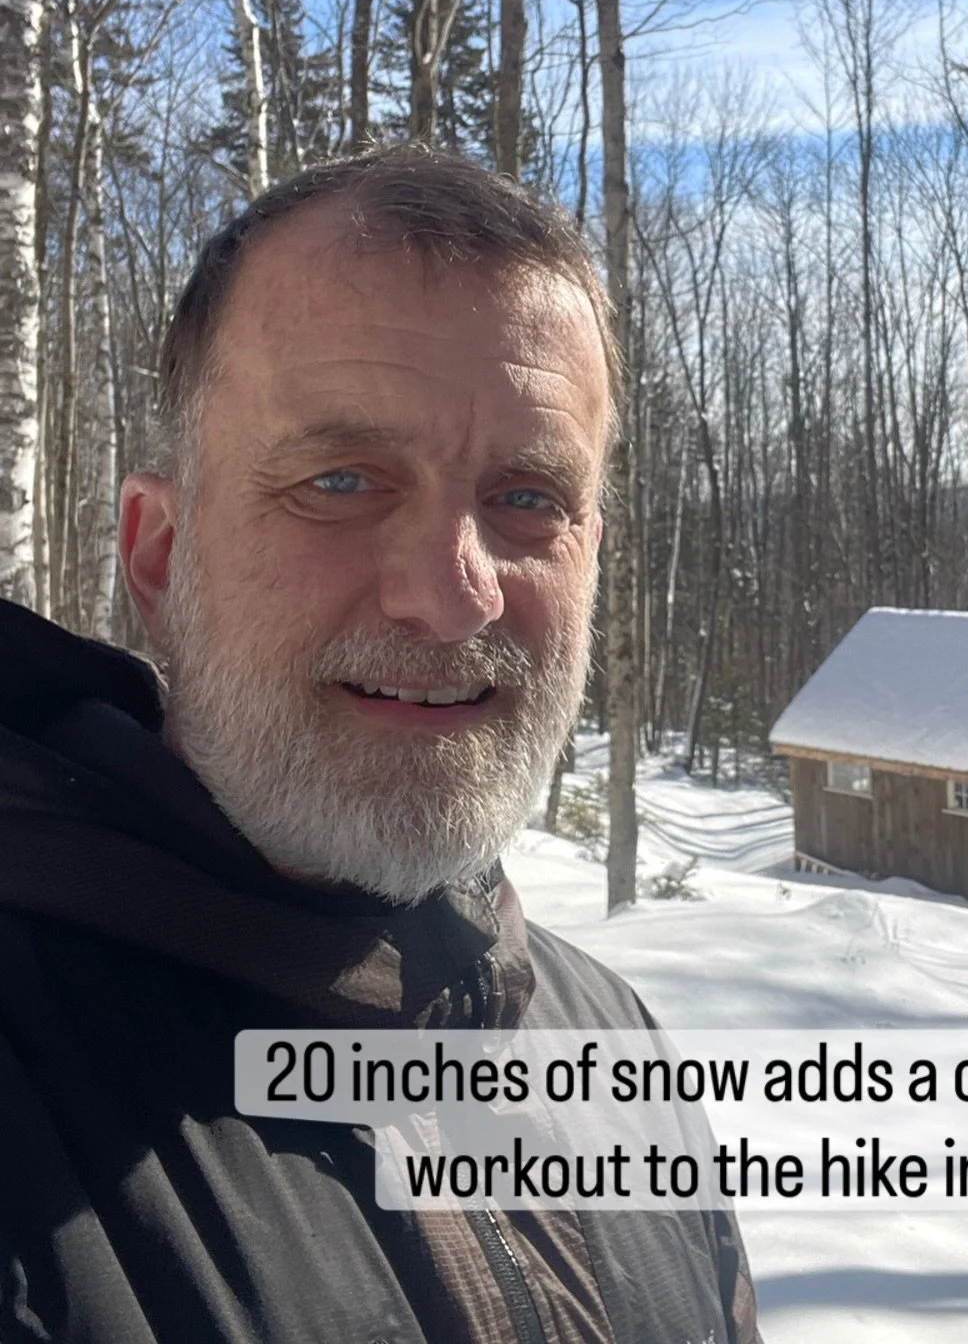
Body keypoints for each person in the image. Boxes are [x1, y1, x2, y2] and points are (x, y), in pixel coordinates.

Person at [0, 145, 760, 1344]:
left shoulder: (605, 1035)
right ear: (158, 555)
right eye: (342, 479)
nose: (452, 597)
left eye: (529, 498)